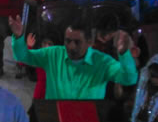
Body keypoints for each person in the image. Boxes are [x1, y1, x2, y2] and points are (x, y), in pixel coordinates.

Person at [10, 16, 138, 99]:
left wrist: (124, 54)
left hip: (87, 120)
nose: (71, 46)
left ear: (89, 42)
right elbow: (23, 56)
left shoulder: (103, 62)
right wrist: (19, 37)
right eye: (68, 41)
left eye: (77, 42)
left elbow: (129, 79)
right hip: (56, 117)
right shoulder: (53, 54)